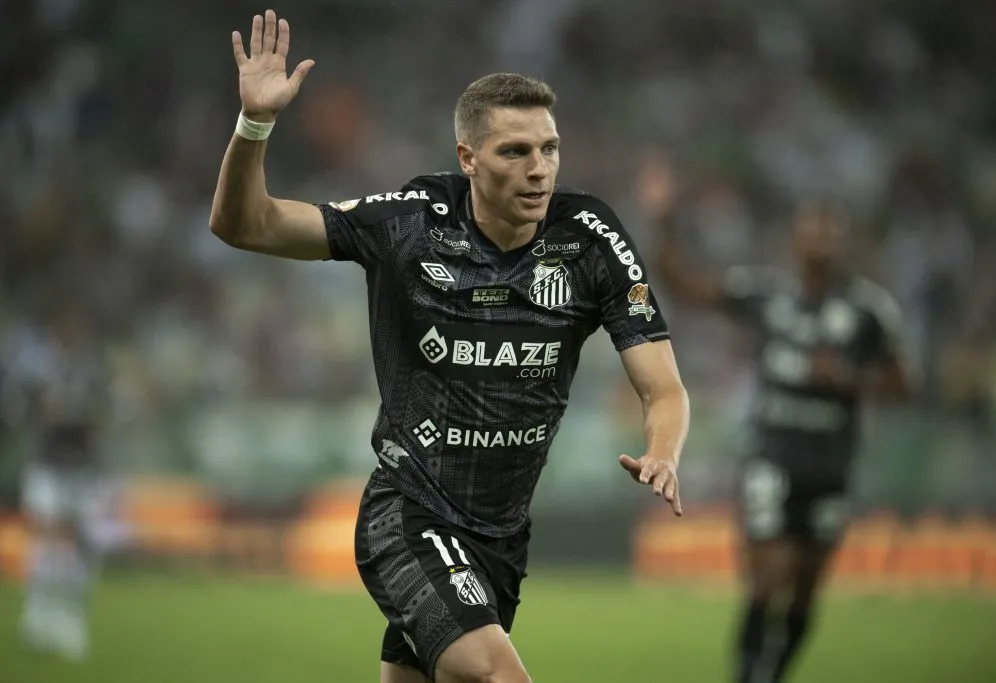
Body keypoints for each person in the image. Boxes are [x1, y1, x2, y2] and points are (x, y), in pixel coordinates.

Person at [210, 10, 691, 683]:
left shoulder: (588, 238)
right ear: (468, 158)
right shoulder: (408, 224)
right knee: (502, 676)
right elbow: (244, 223)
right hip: (408, 514)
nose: (538, 169)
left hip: (501, 538)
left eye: (549, 149)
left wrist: (664, 450)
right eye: (515, 151)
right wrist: (254, 123)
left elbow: (662, 386)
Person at [636, 156, 912, 683]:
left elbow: (905, 386)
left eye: (829, 231)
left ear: (843, 242)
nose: (819, 240)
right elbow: (687, 288)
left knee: (805, 593)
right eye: (810, 229)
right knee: (768, 578)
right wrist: (664, 221)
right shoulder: (769, 296)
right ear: (794, 239)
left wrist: (849, 380)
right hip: (772, 458)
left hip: (830, 465)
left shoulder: (869, 312)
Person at [11, 305, 108, 661]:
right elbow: (35, 410)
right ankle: (38, 616)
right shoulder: (42, 367)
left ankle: (70, 619)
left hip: (79, 467)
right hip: (48, 465)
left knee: (76, 540)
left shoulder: (92, 369)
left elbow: (100, 413)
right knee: (47, 536)